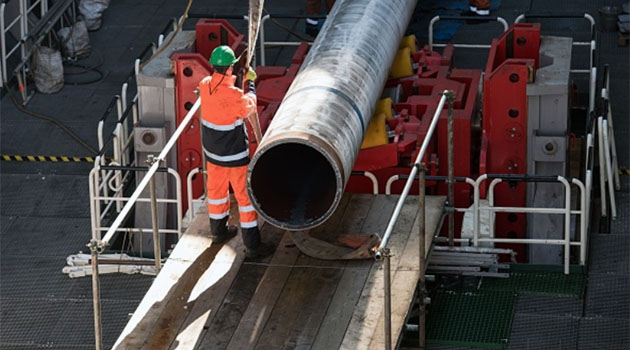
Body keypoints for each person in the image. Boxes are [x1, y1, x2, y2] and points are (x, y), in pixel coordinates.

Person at [198, 45, 274, 258]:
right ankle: (252, 245)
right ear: (230, 68)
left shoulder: (204, 85)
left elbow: (221, 97)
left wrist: (238, 80)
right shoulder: (234, 95)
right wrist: (249, 81)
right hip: (234, 157)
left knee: (216, 193)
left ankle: (219, 233)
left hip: (213, 154)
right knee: (244, 199)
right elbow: (249, 105)